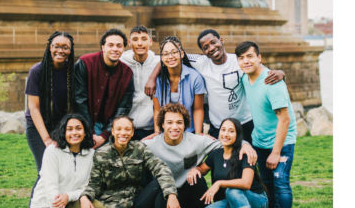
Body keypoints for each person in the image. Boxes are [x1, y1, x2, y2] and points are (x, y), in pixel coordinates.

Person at [143, 103, 257, 208]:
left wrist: (245, 144)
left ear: (185, 125)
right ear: (162, 125)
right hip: (163, 197)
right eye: (169, 122)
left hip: (187, 192)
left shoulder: (197, 141)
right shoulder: (152, 144)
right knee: (157, 184)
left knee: (197, 178)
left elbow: (226, 142)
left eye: (179, 122)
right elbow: (130, 148)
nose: (175, 127)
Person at [145, 29, 285, 143]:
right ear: (203, 52)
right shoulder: (201, 62)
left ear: (221, 40)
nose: (211, 48)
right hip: (218, 126)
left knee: (250, 162)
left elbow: (261, 71)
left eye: (213, 42)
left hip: (245, 122)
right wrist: (152, 78)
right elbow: (170, 57)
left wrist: (280, 73)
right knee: (222, 165)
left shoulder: (238, 60)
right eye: (206, 47)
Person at [81, 116, 183, 208]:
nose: (123, 133)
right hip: (115, 205)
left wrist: (171, 194)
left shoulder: (139, 148)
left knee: (159, 184)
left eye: (127, 129)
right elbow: (94, 183)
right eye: (119, 129)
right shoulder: (101, 154)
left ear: (133, 132)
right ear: (112, 131)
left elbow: (160, 168)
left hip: (136, 202)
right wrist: (85, 197)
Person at [235, 41, 297, 208]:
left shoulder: (272, 81)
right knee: (267, 185)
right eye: (242, 58)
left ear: (259, 58)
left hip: (282, 142)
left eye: (250, 56)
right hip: (260, 141)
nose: (246, 61)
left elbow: (285, 119)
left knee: (280, 184)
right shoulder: (245, 78)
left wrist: (276, 151)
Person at [21, 31, 76, 208]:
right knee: (45, 174)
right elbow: (33, 108)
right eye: (57, 46)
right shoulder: (38, 71)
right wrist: (46, 139)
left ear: (71, 51)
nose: (60, 50)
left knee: (61, 175)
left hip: (61, 128)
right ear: (49, 46)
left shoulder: (73, 71)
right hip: (38, 128)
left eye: (65, 47)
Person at [30, 114, 106, 208]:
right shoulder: (52, 151)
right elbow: (50, 188)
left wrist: (76, 196)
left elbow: (89, 184)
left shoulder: (91, 154)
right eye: (69, 129)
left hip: (70, 202)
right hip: (45, 205)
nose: (74, 133)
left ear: (85, 131)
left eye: (78, 128)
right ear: (63, 132)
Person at [192, 118, 268, 208]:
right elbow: (202, 170)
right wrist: (194, 170)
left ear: (238, 135)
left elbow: (246, 183)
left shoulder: (244, 153)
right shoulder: (215, 154)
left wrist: (219, 183)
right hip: (231, 202)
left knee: (232, 190)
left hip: (256, 201)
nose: (226, 134)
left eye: (231, 131)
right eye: (223, 130)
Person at [74, 28, 134, 149]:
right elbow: (79, 100)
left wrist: (104, 135)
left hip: (110, 128)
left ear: (123, 49)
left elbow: (123, 108)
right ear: (103, 47)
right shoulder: (85, 63)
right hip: (83, 123)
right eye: (110, 45)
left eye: (119, 46)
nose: (115, 49)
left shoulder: (127, 73)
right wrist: (89, 132)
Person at [153, 36, 206, 134]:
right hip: (166, 133)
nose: (170, 57)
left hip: (189, 131)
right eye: (166, 54)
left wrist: (198, 134)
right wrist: (157, 133)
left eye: (174, 52)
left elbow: (198, 109)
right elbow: (157, 110)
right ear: (161, 58)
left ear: (181, 54)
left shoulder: (195, 77)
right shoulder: (158, 80)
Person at [119, 25, 158, 140]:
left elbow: (177, 56)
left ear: (150, 42)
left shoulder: (158, 62)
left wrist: (152, 77)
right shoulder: (121, 63)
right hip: (126, 127)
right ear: (129, 43)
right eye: (135, 40)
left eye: (144, 39)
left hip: (150, 128)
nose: (140, 43)